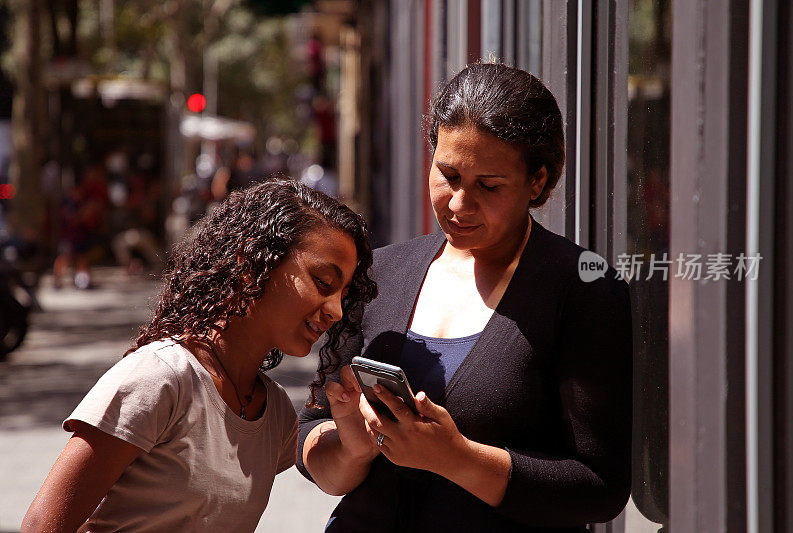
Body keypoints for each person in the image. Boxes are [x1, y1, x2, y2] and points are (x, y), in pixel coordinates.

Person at [297, 62, 633, 532]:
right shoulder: (381, 272)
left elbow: (599, 488)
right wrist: (351, 446)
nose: (458, 203)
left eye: (488, 186)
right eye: (448, 175)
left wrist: (456, 458)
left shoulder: (582, 291)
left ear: (538, 181)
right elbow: (312, 436)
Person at [23, 179, 377, 532]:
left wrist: (357, 437)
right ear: (251, 263)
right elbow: (43, 525)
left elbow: (330, 470)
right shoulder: (161, 377)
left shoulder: (274, 411)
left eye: (343, 295)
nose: (336, 311)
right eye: (323, 283)